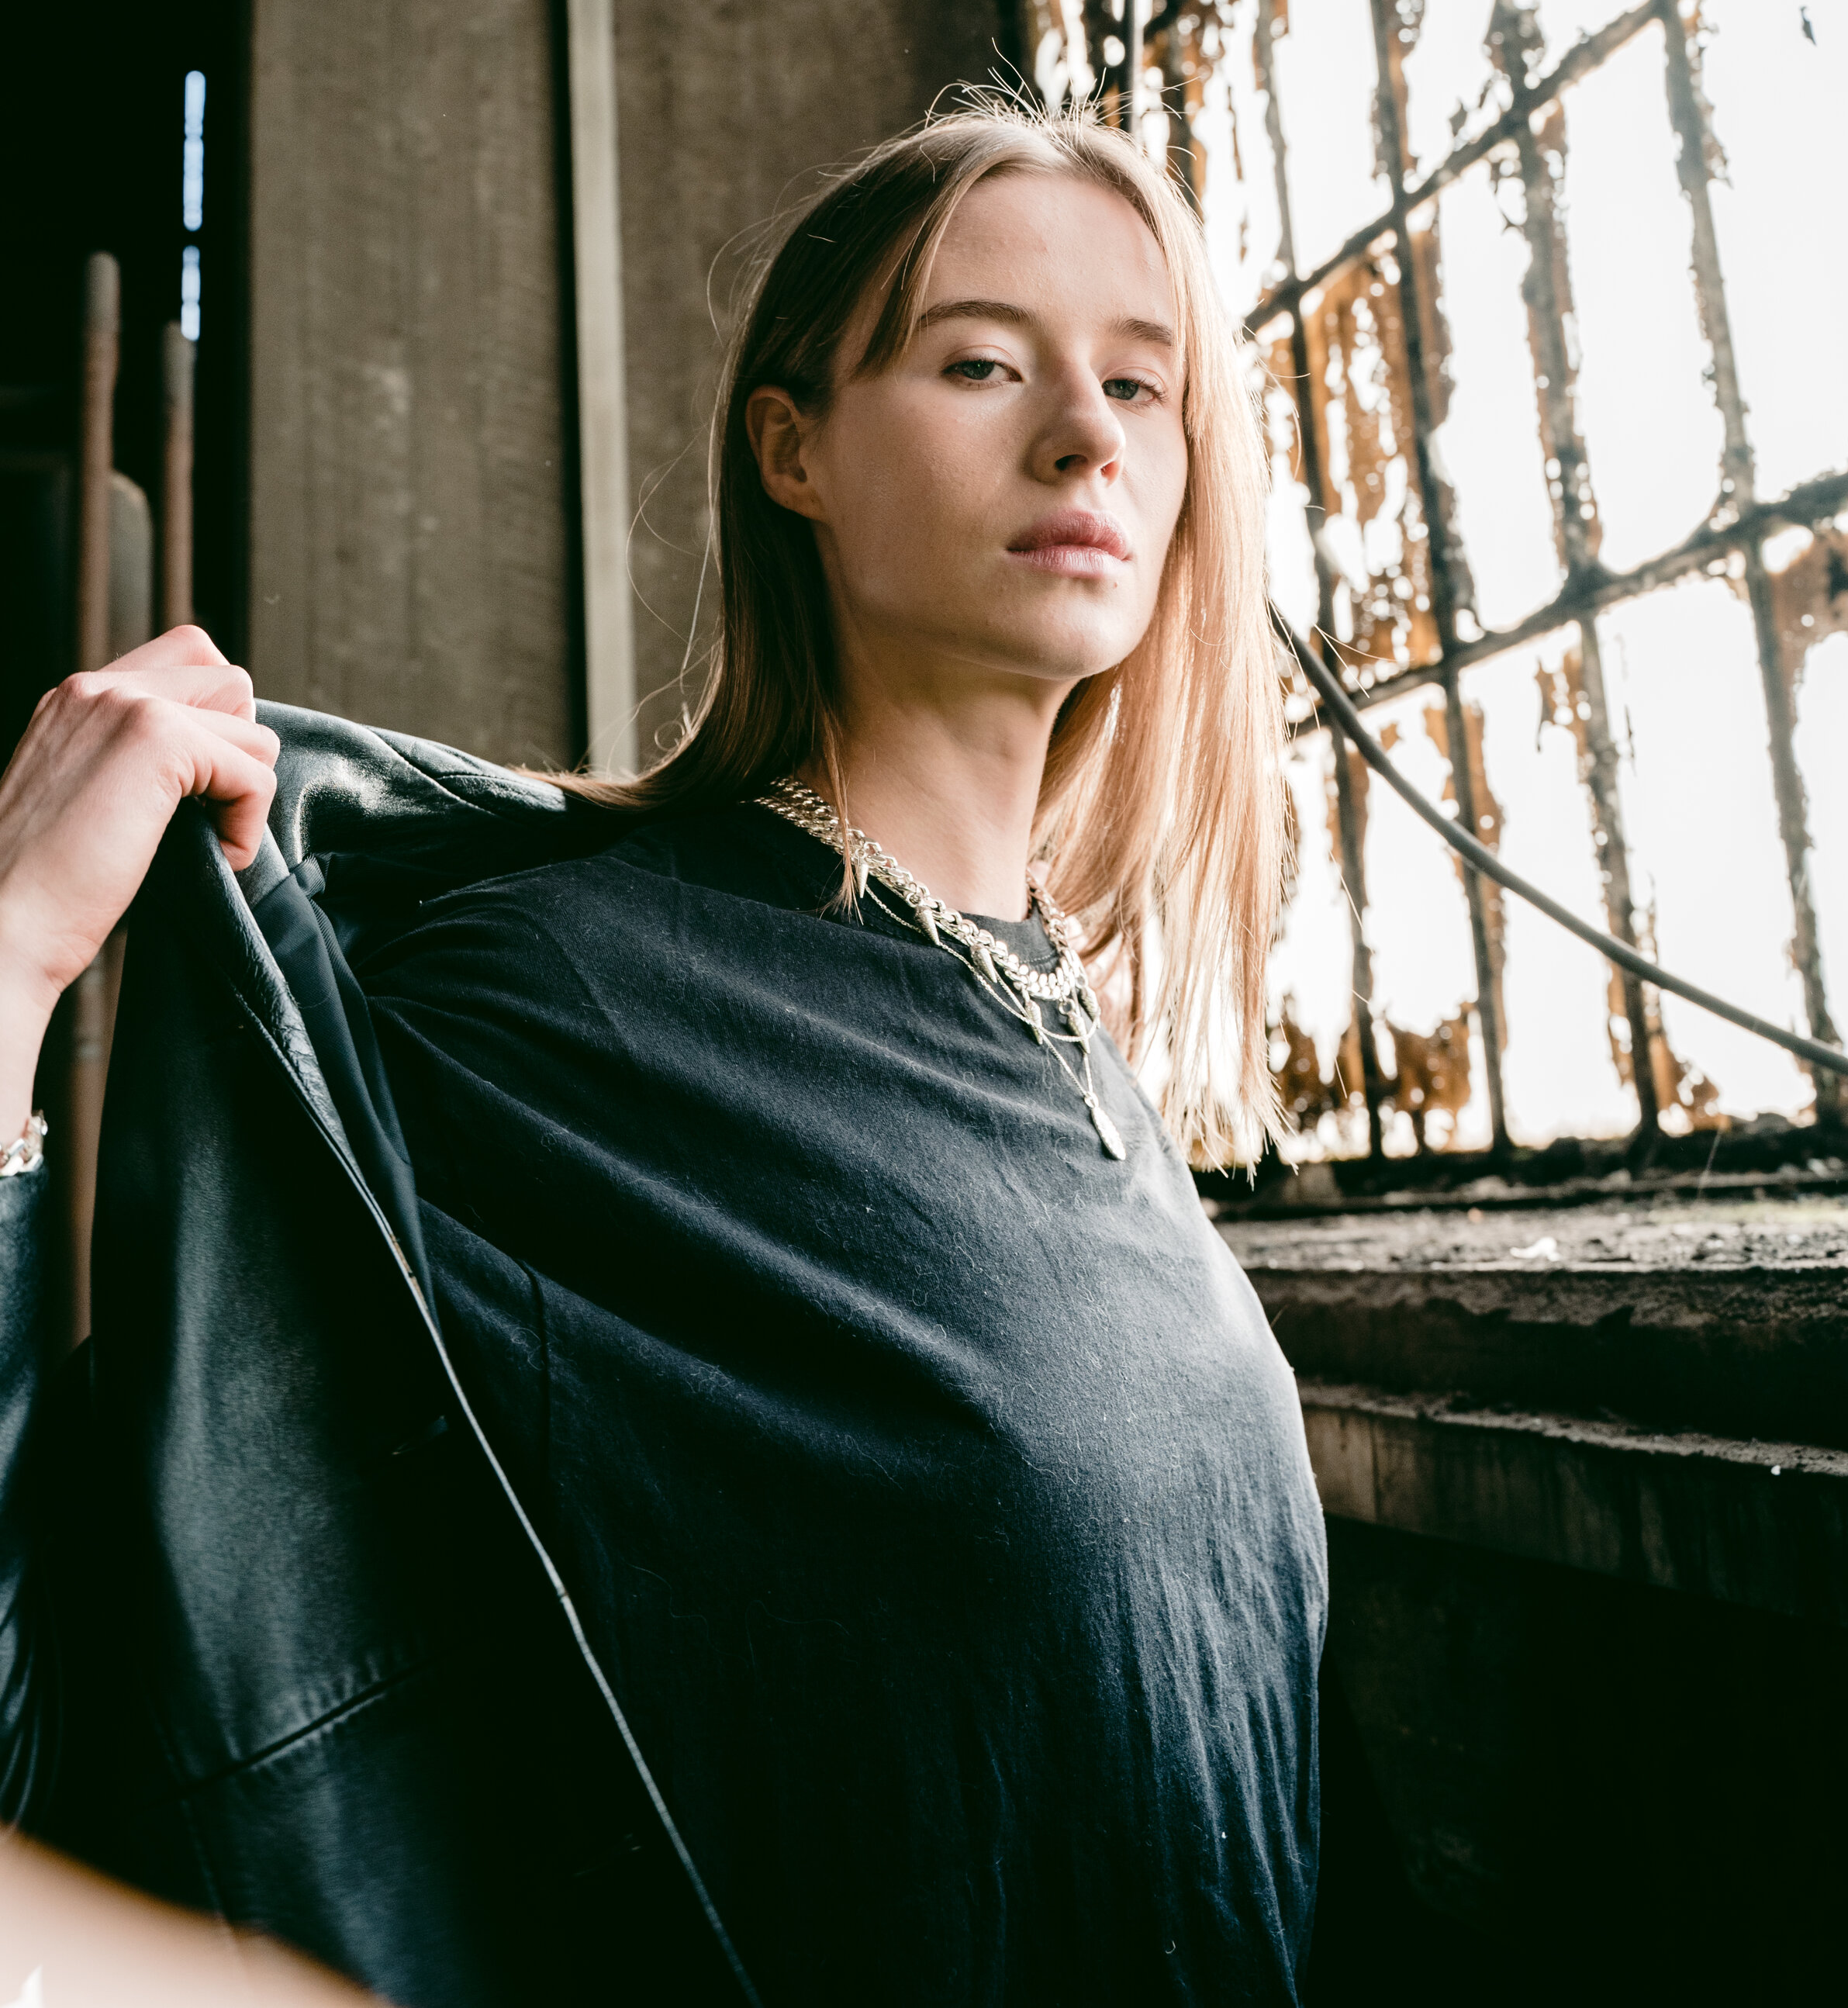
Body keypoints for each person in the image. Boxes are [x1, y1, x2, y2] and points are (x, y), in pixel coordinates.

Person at [0, 105, 1327, 2005]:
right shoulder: (542, 1000)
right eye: (978, 361)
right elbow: (98, 1723)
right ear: (791, 449)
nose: (1083, 436)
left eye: (1142, 380)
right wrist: (9, 961)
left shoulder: (1055, 1030)